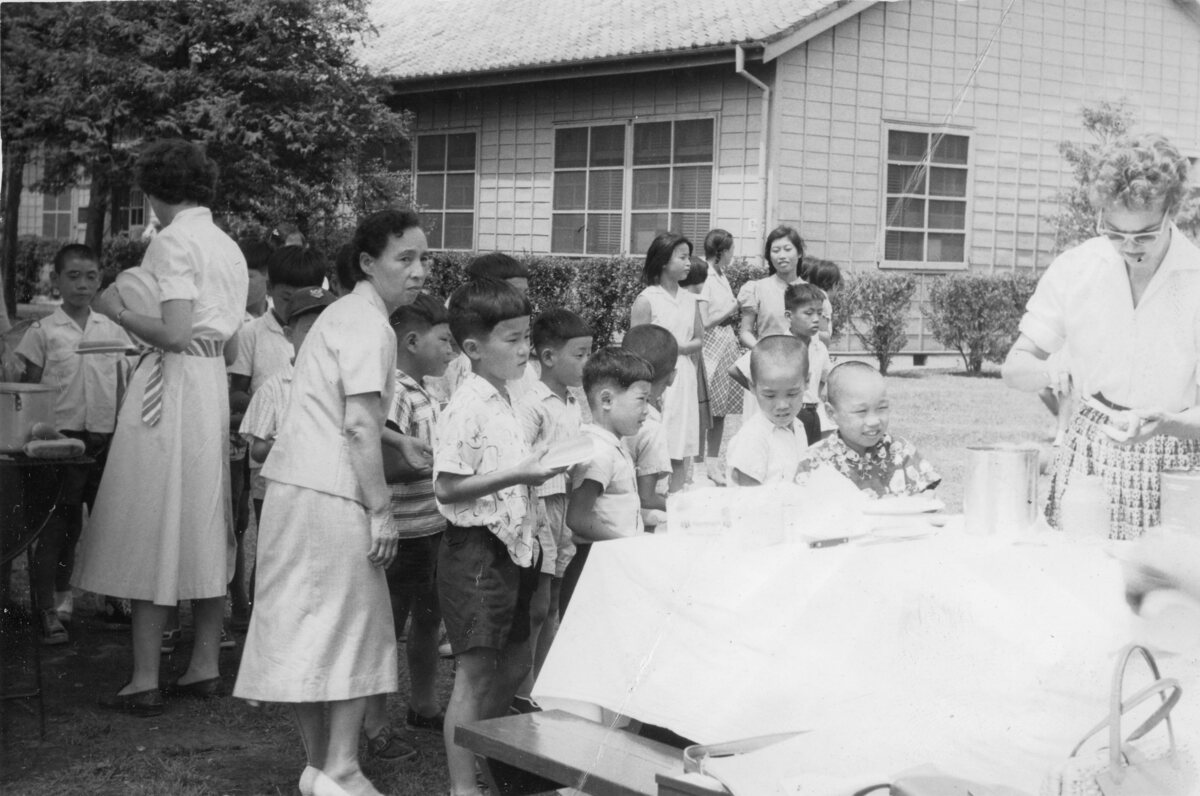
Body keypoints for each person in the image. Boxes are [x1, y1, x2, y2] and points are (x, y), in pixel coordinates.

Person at [234, 208, 428, 796]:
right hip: (329, 495)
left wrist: (396, 439)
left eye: (423, 258)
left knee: (309, 625)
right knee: (353, 628)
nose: (419, 271)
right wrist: (381, 511)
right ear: (367, 263)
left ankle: (320, 766)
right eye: (405, 258)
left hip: (298, 490)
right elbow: (357, 425)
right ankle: (340, 767)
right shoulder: (369, 325)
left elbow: (334, 405)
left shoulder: (343, 315)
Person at [73, 139, 249, 717]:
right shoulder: (227, 246)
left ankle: (145, 678)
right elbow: (223, 343)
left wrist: (115, 310)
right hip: (207, 385)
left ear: (152, 191)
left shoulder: (172, 241)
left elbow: (173, 333)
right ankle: (204, 665)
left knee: (156, 514)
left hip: (172, 388)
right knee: (202, 515)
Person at [1002, 134, 1200, 539]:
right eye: (1114, 232)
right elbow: (1014, 367)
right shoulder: (1077, 268)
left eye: (1145, 234)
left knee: (1161, 575)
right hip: (1089, 455)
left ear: (1171, 212)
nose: (1129, 247)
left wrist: (1168, 423)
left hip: (1175, 461)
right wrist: (1050, 371)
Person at [433, 278, 566, 796]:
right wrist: (518, 474)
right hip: (476, 553)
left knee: (514, 664)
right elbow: (447, 487)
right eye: (512, 340)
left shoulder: (508, 395)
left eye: (526, 337)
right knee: (475, 675)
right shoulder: (466, 405)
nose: (524, 349)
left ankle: (484, 760)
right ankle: (462, 787)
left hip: (515, 546)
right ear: (473, 348)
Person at [16, 244, 132, 644]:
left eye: (91, 276)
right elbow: (30, 390)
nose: (83, 284)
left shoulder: (113, 331)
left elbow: (123, 386)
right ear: (56, 280)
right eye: (73, 276)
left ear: (101, 280)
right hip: (59, 443)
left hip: (104, 441)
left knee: (109, 524)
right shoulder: (42, 332)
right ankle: (49, 606)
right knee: (57, 527)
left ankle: (113, 599)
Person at [513, 308, 591, 711]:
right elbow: (520, 461)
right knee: (538, 604)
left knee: (555, 599)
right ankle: (522, 688)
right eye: (578, 355)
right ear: (547, 356)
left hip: (565, 505)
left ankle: (544, 684)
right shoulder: (532, 404)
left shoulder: (573, 402)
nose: (585, 363)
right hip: (539, 506)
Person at [561, 347, 653, 612]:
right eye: (641, 400)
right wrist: (626, 544)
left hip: (610, 561)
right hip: (594, 566)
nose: (647, 410)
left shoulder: (613, 447)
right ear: (607, 400)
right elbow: (578, 517)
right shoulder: (599, 453)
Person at [795, 362, 941, 498]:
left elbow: (927, 496)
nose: (874, 421)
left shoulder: (901, 451)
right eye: (861, 411)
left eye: (882, 408)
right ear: (831, 413)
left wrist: (927, 499)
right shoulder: (815, 460)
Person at [630, 232, 702, 493]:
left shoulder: (690, 300)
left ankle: (677, 496)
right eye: (682, 257)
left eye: (689, 257)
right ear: (663, 261)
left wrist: (675, 348)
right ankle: (648, 497)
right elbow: (635, 345)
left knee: (681, 440)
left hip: (683, 374)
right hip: (655, 375)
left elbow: (698, 339)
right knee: (654, 436)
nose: (688, 263)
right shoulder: (647, 299)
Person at [731, 283, 832, 444]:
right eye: (808, 313)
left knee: (811, 457)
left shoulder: (820, 348)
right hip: (787, 414)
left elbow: (825, 378)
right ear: (789, 316)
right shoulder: (777, 346)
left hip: (812, 415)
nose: (815, 319)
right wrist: (768, 394)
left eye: (819, 313)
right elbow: (735, 370)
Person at [439, 252, 539, 401]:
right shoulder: (456, 361)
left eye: (525, 293)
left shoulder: (523, 369)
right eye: (514, 292)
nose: (522, 300)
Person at [725, 336, 809, 487]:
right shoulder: (753, 437)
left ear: (807, 382)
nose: (782, 405)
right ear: (752, 387)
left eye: (792, 394)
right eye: (770, 395)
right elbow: (748, 496)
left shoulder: (798, 425)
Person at [697, 229, 743, 484]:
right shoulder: (704, 275)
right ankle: (695, 466)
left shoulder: (721, 275)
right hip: (710, 344)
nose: (733, 254)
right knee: (704, 407)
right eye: (731, 249)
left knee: (720, 409)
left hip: (725, 341)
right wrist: (732, 308)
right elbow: (704, 321)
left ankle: (713, 465)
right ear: (722, 251)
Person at [620, 324, 677, 531]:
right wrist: (680, 506)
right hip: (638, 525)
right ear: (672, 376)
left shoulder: (613, 411)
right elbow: (647, 497)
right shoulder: (651, 427)